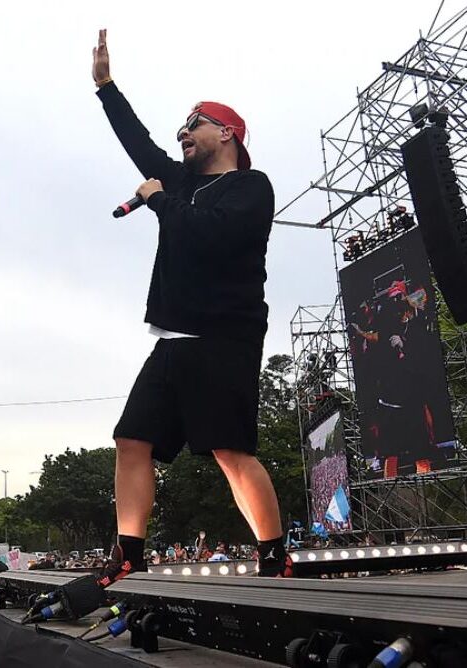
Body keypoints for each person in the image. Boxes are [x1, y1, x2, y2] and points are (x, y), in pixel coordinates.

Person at [90, 29, 288, 585]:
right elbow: (140, 143)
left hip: (225, 335)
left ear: (225, 132)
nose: (182, 134)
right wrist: (107, 87)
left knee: (230, 451)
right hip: (173, 337)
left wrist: (156, 200)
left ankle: (274, 556)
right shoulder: (179, 182)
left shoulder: (251, 187)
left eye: (193, 124)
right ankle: (129, 553)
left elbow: (206, 235)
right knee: (132, 439)